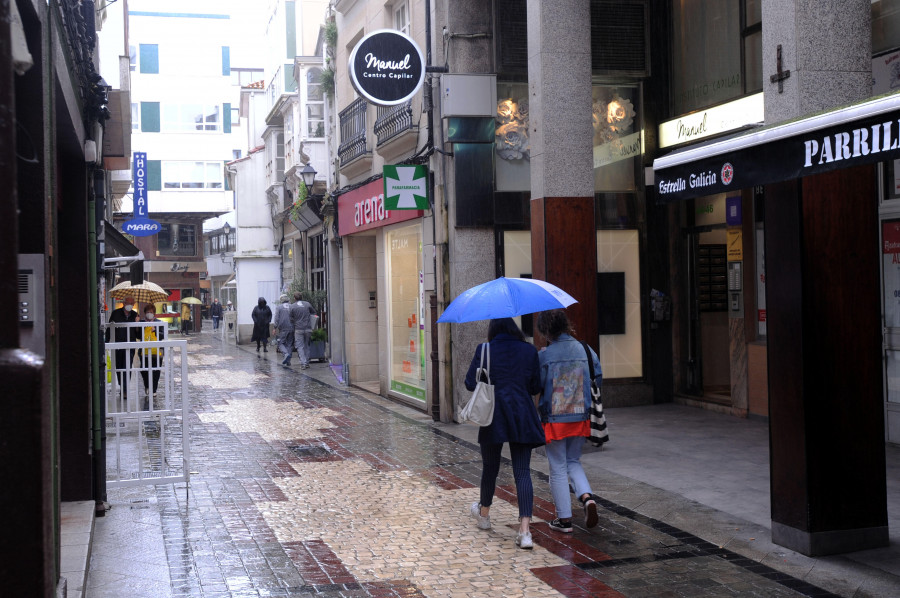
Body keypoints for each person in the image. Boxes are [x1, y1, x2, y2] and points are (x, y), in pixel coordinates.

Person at [464, 317, 544, 550]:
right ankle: (525, 532)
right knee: (522, 471)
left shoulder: (485, 349)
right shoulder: (529, 351)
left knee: (490, 466)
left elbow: (470, 383)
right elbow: (535, 387)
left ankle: (485, 516)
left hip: (493, 416)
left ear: (492, 329)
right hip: (522, 415)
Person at [535, 309, 601, 533]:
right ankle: (587, 497)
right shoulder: (585, 349)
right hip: (581, 415)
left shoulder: (545, 355)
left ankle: (564, 519)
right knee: (573, 460)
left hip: (554, 418)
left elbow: (537, 385)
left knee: (558, 467)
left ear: (545, 330)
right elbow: (597, 378)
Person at [105, 295, 139, 403]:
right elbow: (110, 327)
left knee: (127, 366)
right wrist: (106, 341)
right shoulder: (116, 313)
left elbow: (138, 334)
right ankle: (122, 385)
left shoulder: (135, 315)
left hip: (130, 345)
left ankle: (125, 389)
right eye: (128, 303)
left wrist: (137, 324)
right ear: (124, 303)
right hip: (117, 344)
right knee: (119, 366)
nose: (130, 305)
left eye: (131, 303)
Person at [139, 304, 165, 409]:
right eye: (148, 311)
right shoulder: (141, 322)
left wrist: (156, 331)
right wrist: (137, 325)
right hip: (144, 351)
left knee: (156, 370)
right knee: (144, 369)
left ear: (154, 313)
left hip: (157, 351)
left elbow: (163, 335)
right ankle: (147, 385)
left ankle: (153, 389)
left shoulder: (159, 323)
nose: (149, 313)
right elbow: (137, 336)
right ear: (145, 313)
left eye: (151, 311)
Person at [290, 291, 317, 369]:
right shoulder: (307, 304)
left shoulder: (292, 306)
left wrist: (295, 322)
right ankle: (307, 362)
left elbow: (290, 318)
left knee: (300, 346)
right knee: (307, 345)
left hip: (298, 329)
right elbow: (314, 312)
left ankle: (303, 363)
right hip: (308, 328)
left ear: (294, 298)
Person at [273, 295, 294, 366]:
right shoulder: (292, 306)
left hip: (283, 328)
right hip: (291, 327)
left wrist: (274, 327)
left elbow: (276, 318)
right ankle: (288, 360)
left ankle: (286, 354)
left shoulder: (279, 307)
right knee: (290, 344)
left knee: (281, 343)